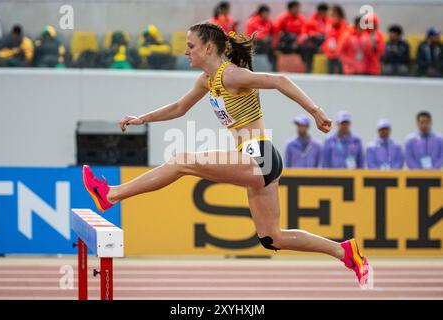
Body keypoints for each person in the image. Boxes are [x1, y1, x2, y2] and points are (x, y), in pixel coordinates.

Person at [82, 22, 370, 286]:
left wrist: (316, 112)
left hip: (259, 155)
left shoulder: (231, 74)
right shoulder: (206, 81)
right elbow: (179, 108)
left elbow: (280, 80)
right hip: (258, 157)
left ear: (208, 47)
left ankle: (110, 195)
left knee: (182, 160)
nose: (185, 51)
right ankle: (344, 251)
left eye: (191, 45)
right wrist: (142, 119)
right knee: (272, 237)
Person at [303, 3, 329, 72]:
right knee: (309, 48)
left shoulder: (328, 20)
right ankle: (309, 68)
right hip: (315, 42)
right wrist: (314, 34)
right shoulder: (312, 20)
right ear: (320, 12)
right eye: (325, 12)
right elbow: (306, 32)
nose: (326, 14)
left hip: (325, 42)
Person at [322, 4, 347, 74]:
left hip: (339, 55)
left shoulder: (343, 25)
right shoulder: (329, 24)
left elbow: (342, 40)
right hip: (330, 54)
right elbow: (328, 38)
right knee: (330, 72)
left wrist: (337, 51)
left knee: (340, 72)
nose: (331, 17)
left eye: (333, 15)